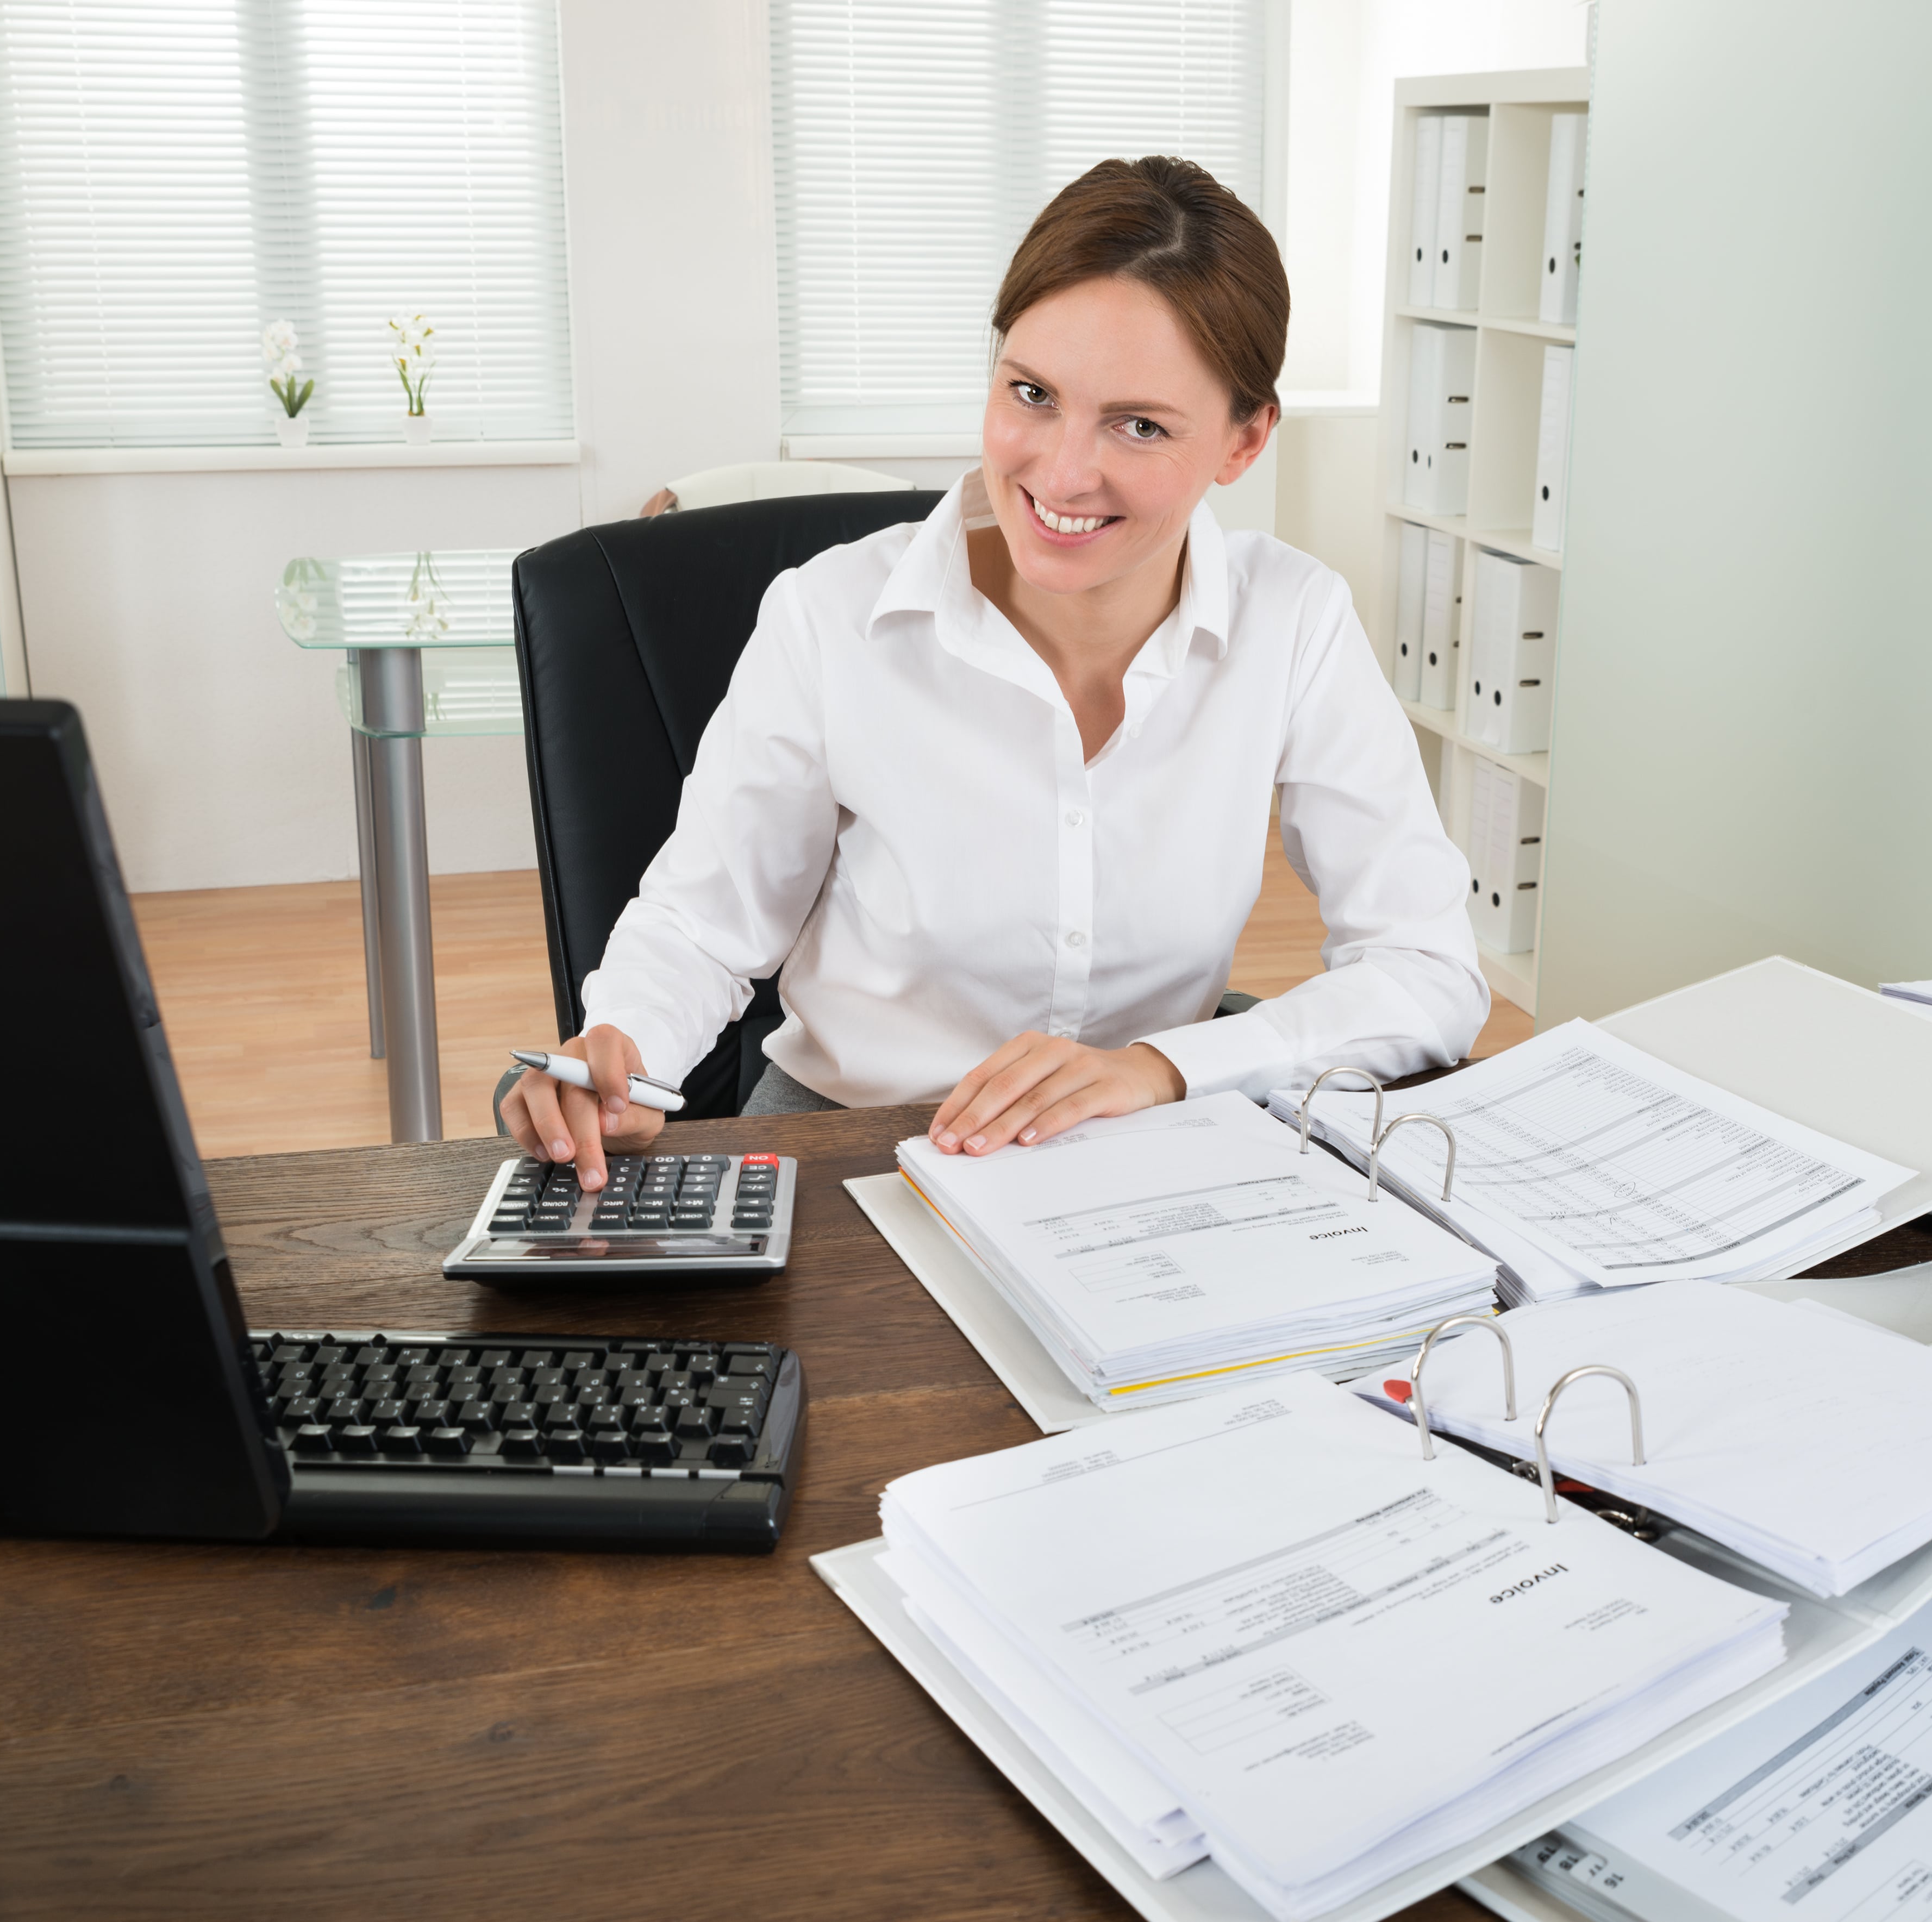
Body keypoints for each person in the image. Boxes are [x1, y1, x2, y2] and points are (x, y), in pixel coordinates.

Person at [504, 154, 1484, 1187]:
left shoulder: (1295, 621)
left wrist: (1160, 1067)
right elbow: (703, 925)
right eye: (1032, 394)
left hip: (1148, 1150)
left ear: (1245, 441)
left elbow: (1424, 966)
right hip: (857, 1148)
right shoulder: (831, 616)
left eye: (1139, 424)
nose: (1062, 474)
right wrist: (618, 1047)